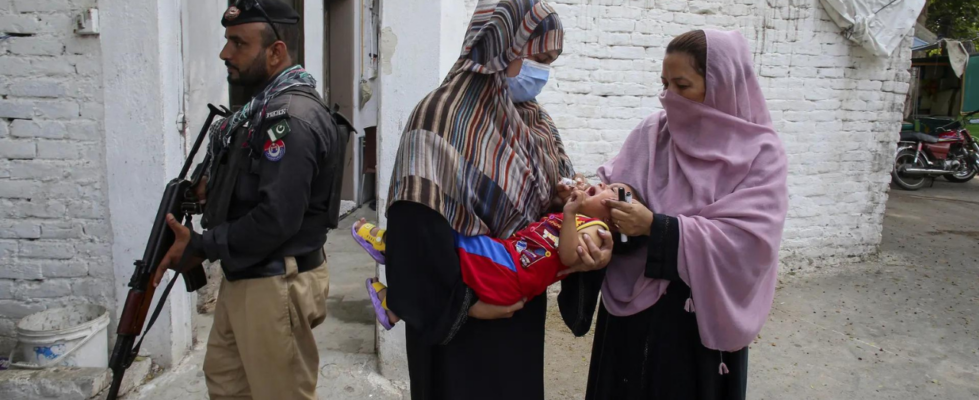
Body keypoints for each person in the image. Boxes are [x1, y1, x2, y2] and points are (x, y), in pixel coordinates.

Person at [382, 1, 613, 399]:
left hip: (519, 314)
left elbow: (550, 217)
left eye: (551, 61)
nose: (543, 72)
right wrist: (464, 305)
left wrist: (571, 214)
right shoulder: (439, 115)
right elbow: (413, 230)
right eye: (538, 57)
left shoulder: (536, 123)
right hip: (459, 323)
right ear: (499, 45)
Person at [559, 29, 789, 399]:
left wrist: (657, 226)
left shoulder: (761, 153)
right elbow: (615, 188)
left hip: (693, 324)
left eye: (683, 85)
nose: (670, 97)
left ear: (721, 87)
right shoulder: (653, 132)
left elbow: (751, 244)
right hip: (631, 316)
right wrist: (589, 208)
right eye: (665, 84)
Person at [152, 1, 348, 399]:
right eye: (227, 41)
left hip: (275, 282)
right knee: (226, 383)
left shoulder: (288, 119)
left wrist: (204, 246)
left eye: (238, 43)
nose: (226, 53)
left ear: (275, 52)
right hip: (246, 275)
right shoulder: (255, 114)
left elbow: (277, 218)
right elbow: (253, 186)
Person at [353, 183, 638, 328]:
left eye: (613, 192)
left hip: (508, 270)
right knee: (446, 257)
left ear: (618, 219)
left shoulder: (596, 230)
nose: (602, 185)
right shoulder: (579, 218)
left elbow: (567, 256)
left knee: (446, 237)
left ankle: (390, 245)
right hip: (507, 262)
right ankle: (393, 307)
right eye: (606, 183)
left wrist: (571, 212)